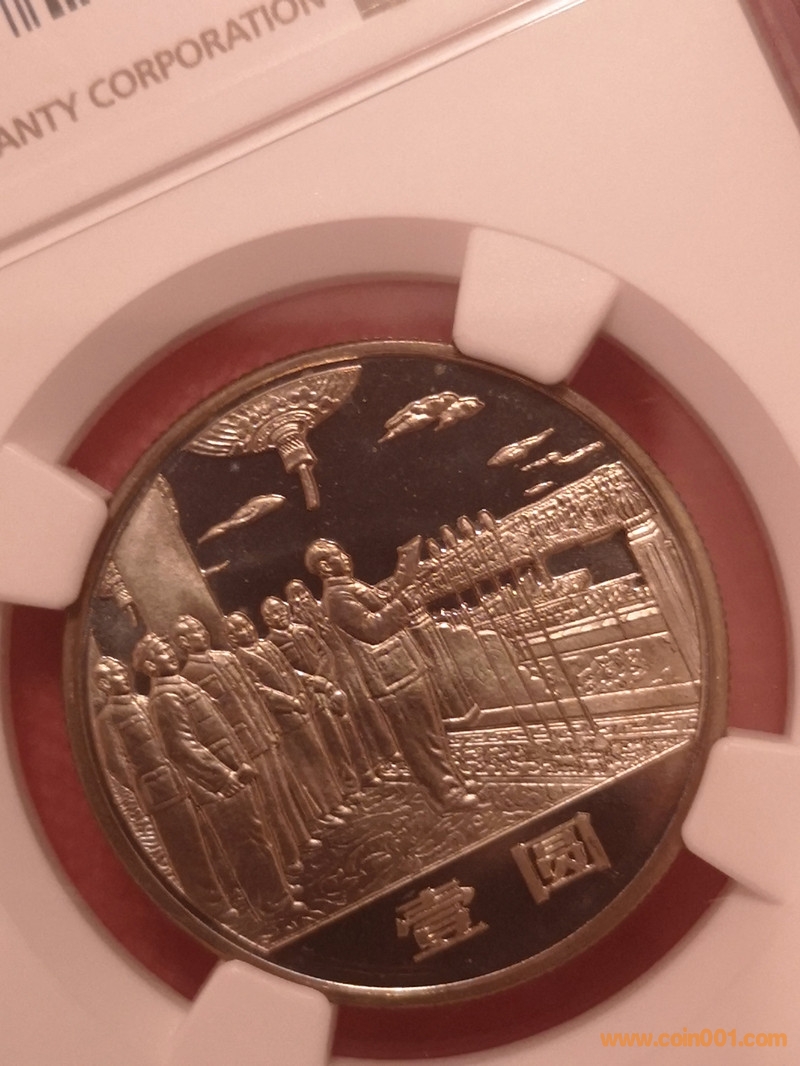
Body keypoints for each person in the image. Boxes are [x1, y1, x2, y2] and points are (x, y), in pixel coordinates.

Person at [131, 632, 300, 919]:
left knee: (255, 835)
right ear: (149, 666)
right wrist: (222, 776)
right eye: (161, 651)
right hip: (217, 785)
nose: (170, 652)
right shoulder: (165, 697)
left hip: (231, 774)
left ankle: (275, 890)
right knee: (246, 843)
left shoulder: (177, 685)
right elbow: (181, 746)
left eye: (168, 647)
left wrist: (239, 764)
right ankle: (273, 903)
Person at [304, 538, 477, 810]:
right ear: (325, 567)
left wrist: (403, 586)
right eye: (339, 554)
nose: (346, 557)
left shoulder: (348, 586)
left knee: (432, 732)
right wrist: (402, 603)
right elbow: (371, 629)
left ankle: (451, 779)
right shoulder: (336, 598)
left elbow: (381, 605)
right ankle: (447, 794)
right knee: (418, 739)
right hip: (391, 677)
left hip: (402, 667)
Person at [92, 655, 235, 922]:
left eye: (122, 670)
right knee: (186, 848)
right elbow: (116, 764)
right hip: (160, 792)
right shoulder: (107, 719)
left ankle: (228, 889)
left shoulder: (145, 702)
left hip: (182, 779)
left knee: (207, 835)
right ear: (103, 684)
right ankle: (211, 906)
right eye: (115, 674)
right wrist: (145, 783)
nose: (123, 675)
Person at [171, 614, 307, 872]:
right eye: (196, 631)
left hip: (262, 730)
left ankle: (301, 839)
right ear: (184, 642)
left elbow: (255, 690)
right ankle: (288, 857)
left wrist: (275, 716)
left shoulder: (227, 657)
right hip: (244, 744)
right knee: (267, 802)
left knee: (283, 790)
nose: (203, 633)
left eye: (202, 627)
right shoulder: (190, 675)